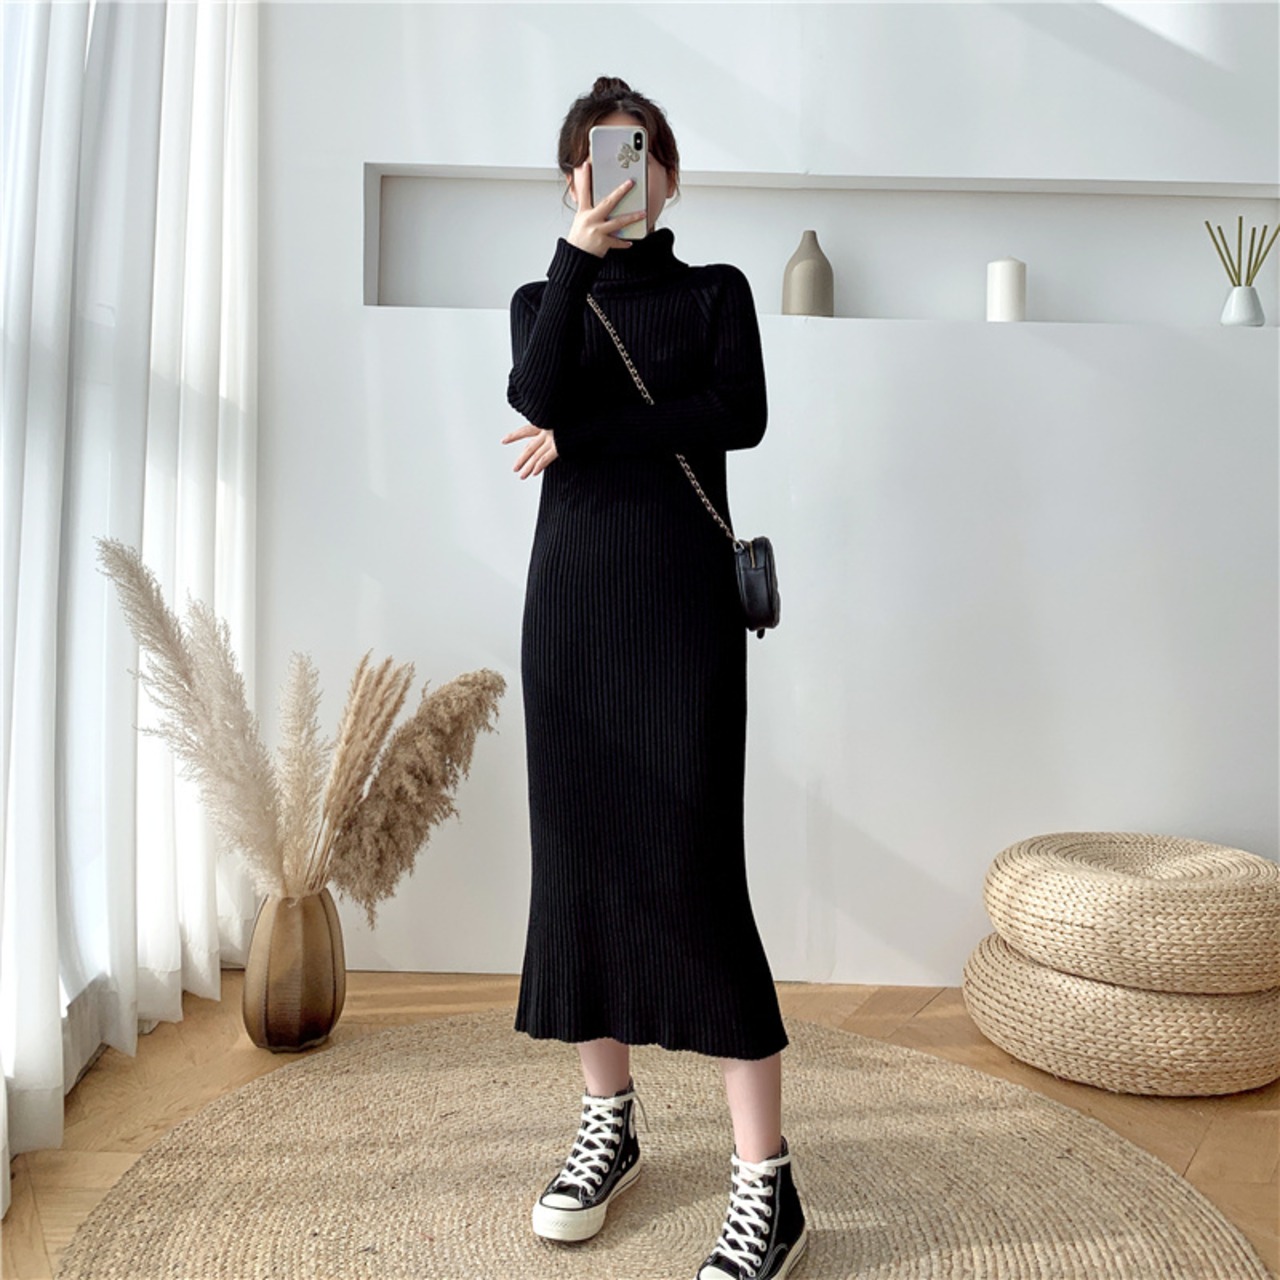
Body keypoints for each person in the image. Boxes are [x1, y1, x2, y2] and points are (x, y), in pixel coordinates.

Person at [503, 75, 808, 1280]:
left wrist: (584, 438)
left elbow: (738, 413)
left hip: (680, 614)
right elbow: (531, 393)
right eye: (596, 160)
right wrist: (576, 259)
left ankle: (766, 1182)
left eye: (638, 155)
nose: (621, 175)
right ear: (571, 180)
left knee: (694, 872)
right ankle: (609, 1121)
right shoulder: (544, 298)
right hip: (570, 615)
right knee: (579, 865)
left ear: (668, 173)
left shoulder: (715, 292)